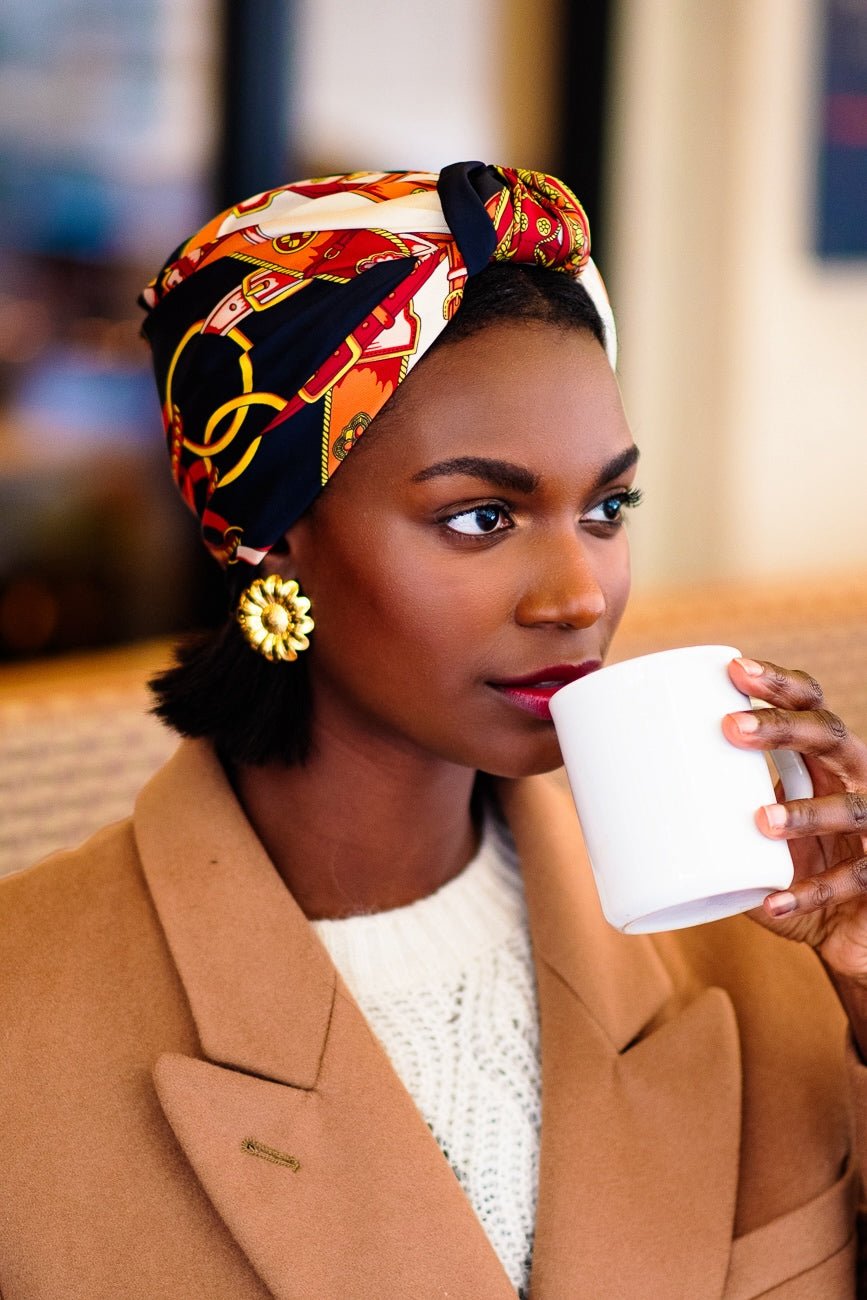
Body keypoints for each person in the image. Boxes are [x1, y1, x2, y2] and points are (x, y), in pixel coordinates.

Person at [0, 162, 866, 1300]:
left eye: (607, 508)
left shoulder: (766, 940)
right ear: (274, 536)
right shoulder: (27, 1021)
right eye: (481, 515)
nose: (577, 593)